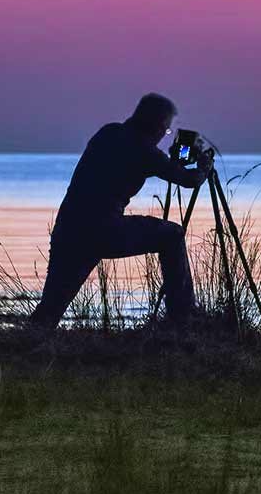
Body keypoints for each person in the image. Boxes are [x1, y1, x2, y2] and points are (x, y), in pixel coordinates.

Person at [28, 93, 210, 329]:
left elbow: (157, 163)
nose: (162, 135)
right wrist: (204, 168)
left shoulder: (108, 132)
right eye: (165, 130)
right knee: (172, 235)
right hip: (104, 231)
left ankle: (25, 344)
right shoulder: (144, 150)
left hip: (68, 229)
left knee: (51, 307)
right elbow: (187, 179)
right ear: (156, 125)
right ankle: (183, 315)